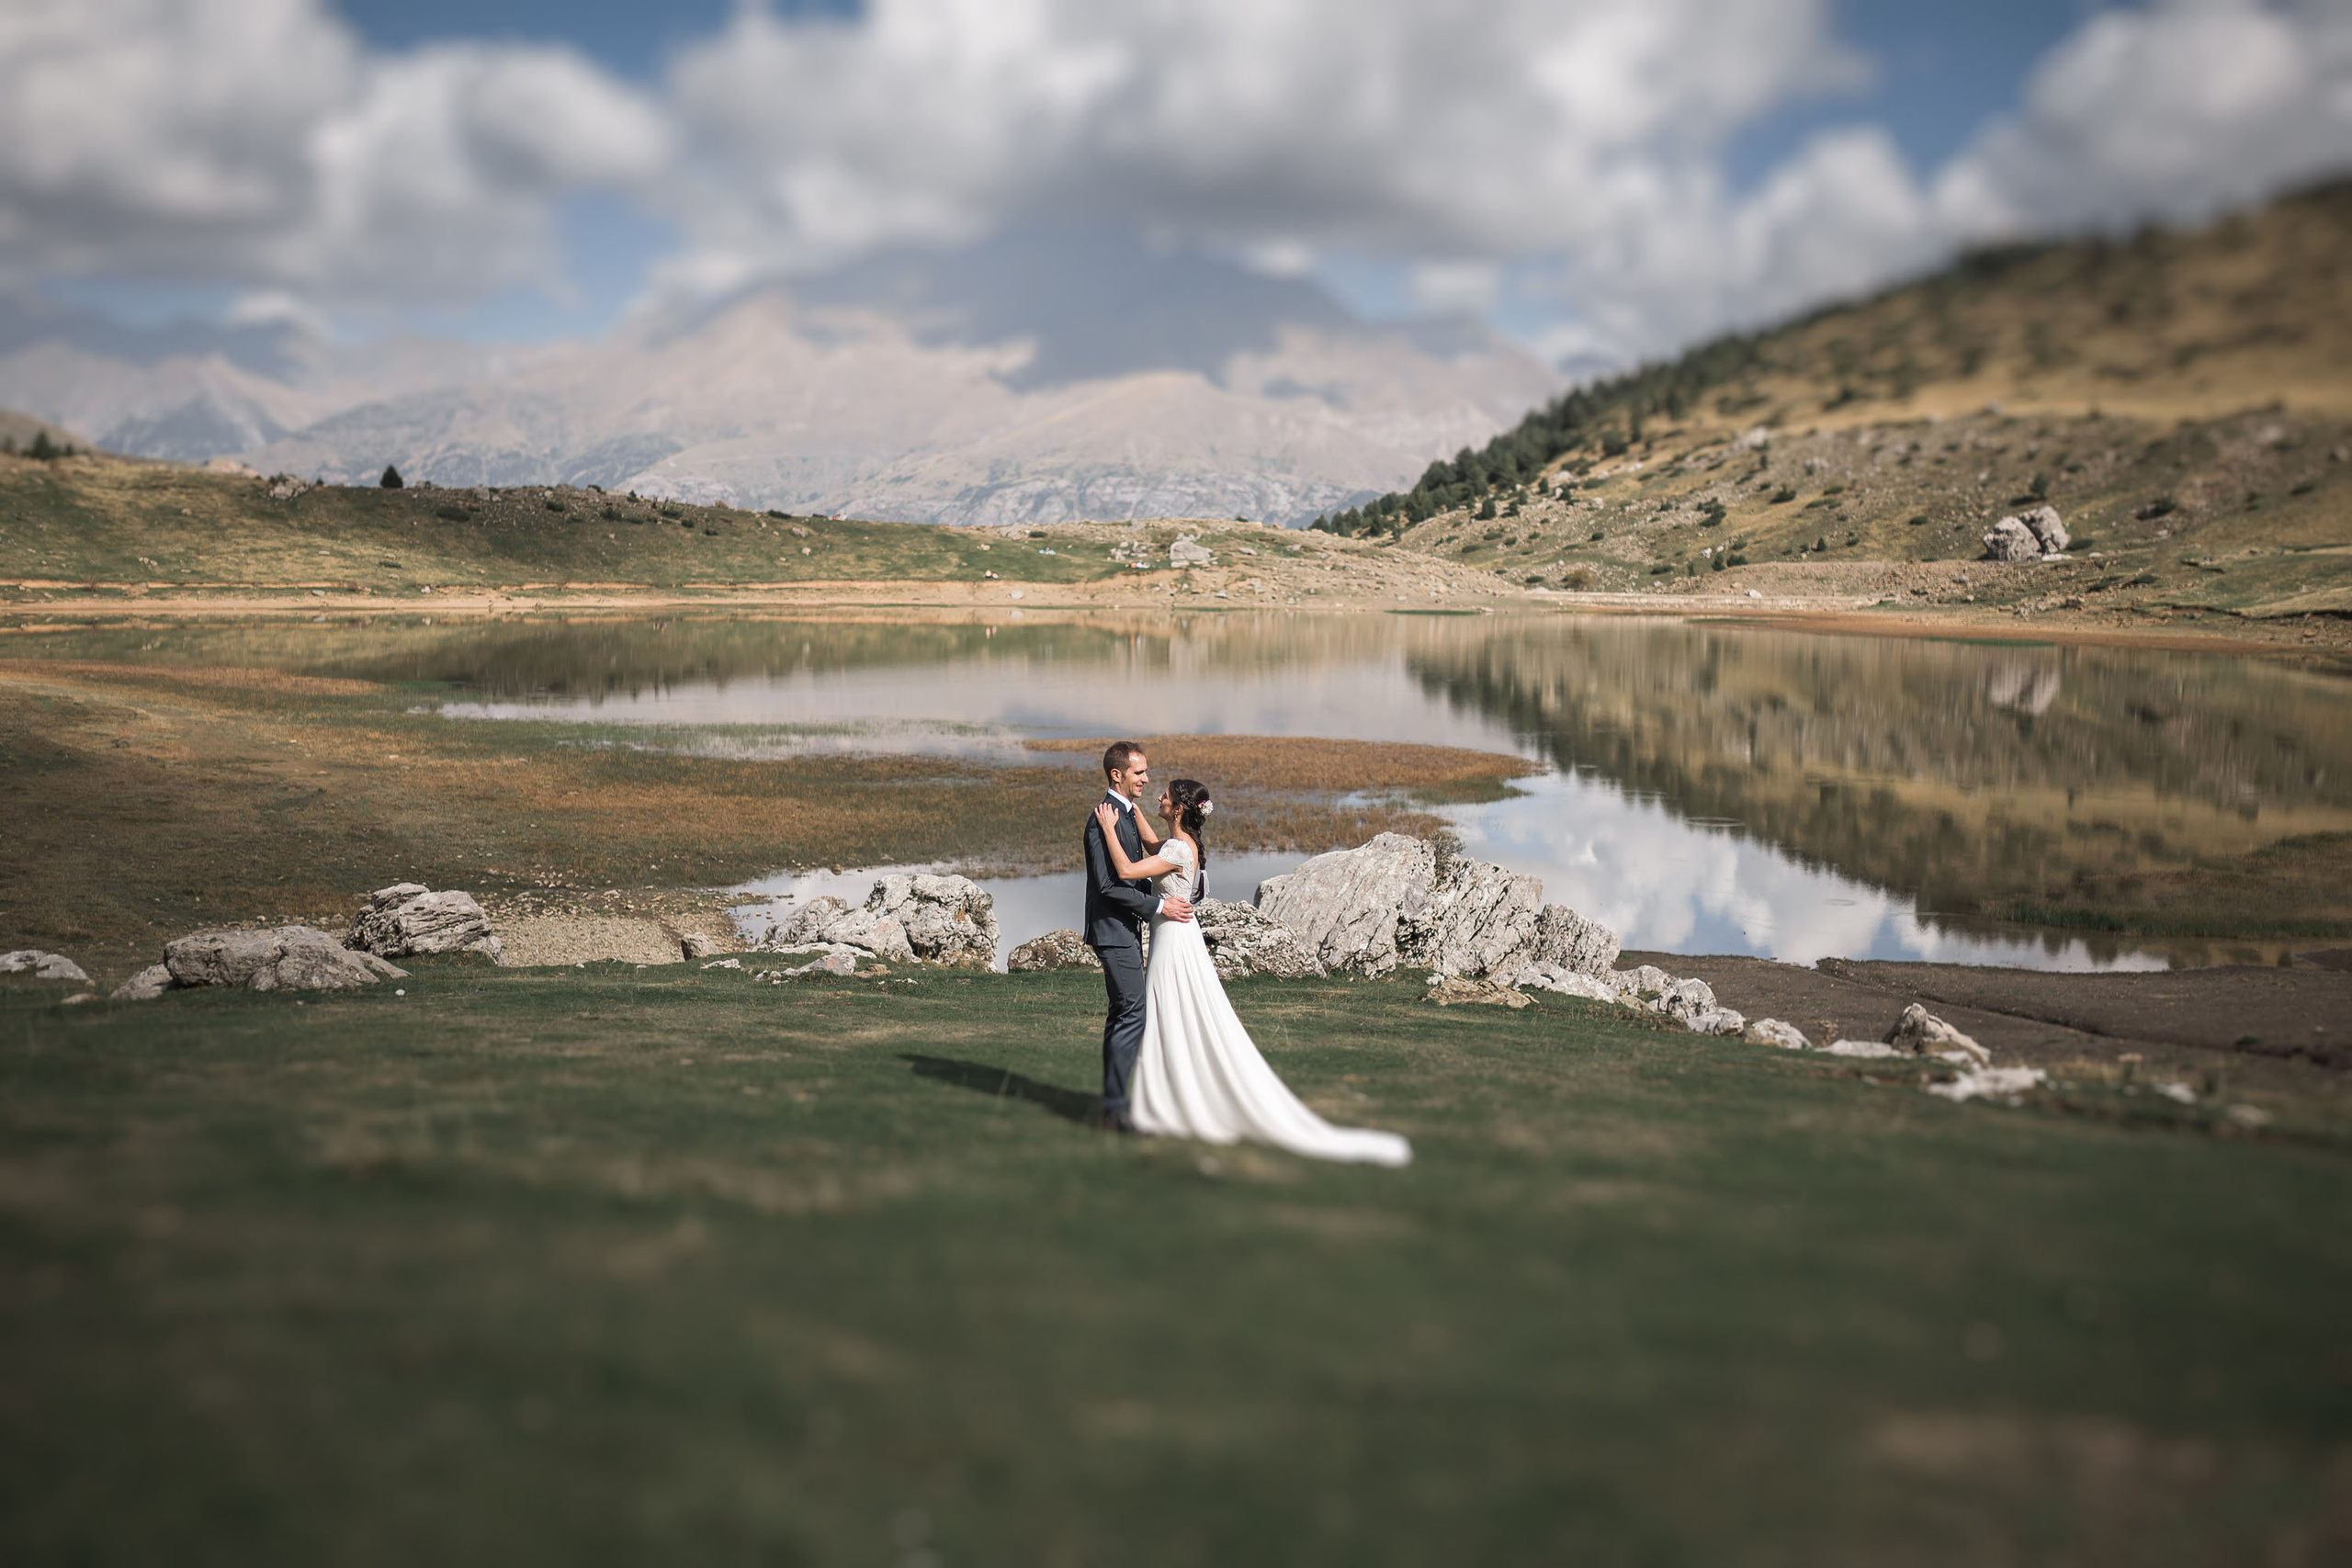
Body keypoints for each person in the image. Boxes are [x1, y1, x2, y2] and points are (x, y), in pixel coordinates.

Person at [1091, 778, 1411, 1168]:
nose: (1157, 795)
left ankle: (1167, 1096)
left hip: (1173, 936)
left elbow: (1125, 870)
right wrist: (1134, 810)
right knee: (1170, 1008)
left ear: (1177, 809)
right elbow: (1155, 846)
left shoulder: (1177, 848)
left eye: (1165, 796)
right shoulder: (1180, 845)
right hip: (1176, 932)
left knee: (1165, 1006)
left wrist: (1109, 828)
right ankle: (1165, 1093)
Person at [1082, 741, 1192, 1133]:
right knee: (1133, 1012)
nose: (1146, 778)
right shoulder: (1103, 820)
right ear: (1117, 775)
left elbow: (1152, 851)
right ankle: (1116, 1108)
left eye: (1145, 772)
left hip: (1127, 928)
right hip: (1112, 930)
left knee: (1122, 1014)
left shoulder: (1126, 814)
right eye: (1139, 772)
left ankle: (1113, 1105)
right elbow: (1110, 885)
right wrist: (1160, 908)